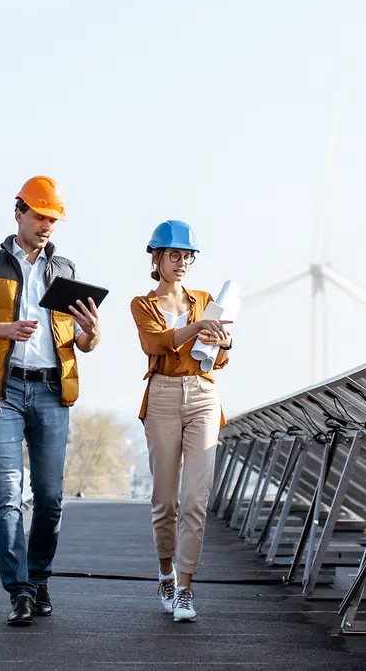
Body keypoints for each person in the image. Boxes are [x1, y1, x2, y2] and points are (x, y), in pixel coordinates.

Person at [0, 176, 103, 626]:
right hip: (2, 391)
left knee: (51, 497)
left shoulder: (66, 270)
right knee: (8, 493)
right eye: (40, 216)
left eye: (53, 219)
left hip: (52, 390)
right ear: (18, 213)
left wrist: (93, 333)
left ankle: (38, 579)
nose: (47, 226)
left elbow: (80, 342)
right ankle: (18, 591)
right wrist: (6, 329)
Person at [129, 220, 231, 623]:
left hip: (203, 395)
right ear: (157, 258)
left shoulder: (205, 300)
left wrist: (223, 342)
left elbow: (220, 359)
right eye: (174, 255)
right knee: (166, 501)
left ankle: (186, 588)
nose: (182, 262)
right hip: (163, 397)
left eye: (188, 256)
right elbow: (154, 343)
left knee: (195, 499)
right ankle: (166, 573)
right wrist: (196, 328)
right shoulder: (143, 304)